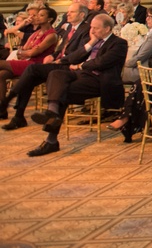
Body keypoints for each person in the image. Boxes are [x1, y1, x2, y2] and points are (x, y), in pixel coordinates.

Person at [27, 14, 128, 156]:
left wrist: (81, 65)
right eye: (91, 27)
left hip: (99, 80)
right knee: (56, 74)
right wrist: (91, 43)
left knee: (62, 92)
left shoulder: (119, 43)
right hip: (81, 75)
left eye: (96, 28)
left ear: (107, 29)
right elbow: (72, 58)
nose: (92, 31)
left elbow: (101, 62)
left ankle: (51, 139)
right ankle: (52, 112)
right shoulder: (92, 40)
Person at [1, 3, 90, 127]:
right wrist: (53, 56)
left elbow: (81, 53)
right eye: (68, 11)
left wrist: (60, 60)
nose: (67, 14)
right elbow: (61, 49)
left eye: (72, 12)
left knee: (31, 69)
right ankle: (18, 116)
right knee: (28, 78)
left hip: (67, 66)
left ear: (82, 15)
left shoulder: (86, 30)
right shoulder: (70, 28)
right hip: (55, 62)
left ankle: (7, 100)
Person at [0, 6, 58, 98]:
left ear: (49, 19)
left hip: (36, 65)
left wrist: (24, 51)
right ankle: (2, 108)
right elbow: (25, 49)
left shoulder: (52, 35)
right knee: (1, 75)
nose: (37, 17)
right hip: (26, 61)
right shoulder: (36, 33)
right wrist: (25, 51)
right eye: (37, 15)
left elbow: (33, 53)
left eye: (41, 15)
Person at [121, 4, 152, 86]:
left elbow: (142, 56)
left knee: (112, 71)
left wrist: (125, 64)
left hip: (143, 71)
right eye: (147, 16)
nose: (147, 19)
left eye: (151, 17)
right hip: (141, 67)